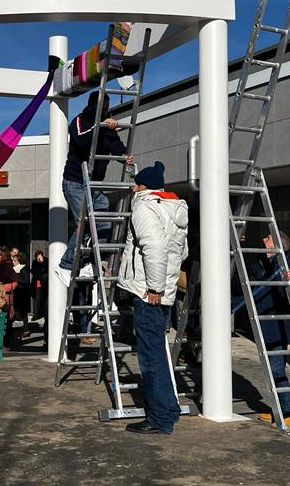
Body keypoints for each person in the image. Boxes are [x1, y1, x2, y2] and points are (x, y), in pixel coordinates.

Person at [115, 162, 188, 435]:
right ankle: (169, 408)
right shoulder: (174, 208)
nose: (133, 187)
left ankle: (159, 418)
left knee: (150, 357)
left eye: (137, 184)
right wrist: (164, 286)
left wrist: (154, 288)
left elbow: (153, 247)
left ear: (144, 187)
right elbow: (181, 251)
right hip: (162, 291)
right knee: (159, 353)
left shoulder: (144, 206)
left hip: (148, 293)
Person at [56, 91, 133, 276]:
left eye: (107, 109)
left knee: (104, 223)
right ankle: (66, 265)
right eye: (102, 108)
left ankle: (88, 262)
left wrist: (124, 156)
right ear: (92, 107)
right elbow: (82, 141)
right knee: (85, 224)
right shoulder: (79, 121)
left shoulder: (107, 125)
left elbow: (115, 145)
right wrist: (101, 126)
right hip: (75, 182)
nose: (105, 112)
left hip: (94, 184)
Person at [243, 231, 290, 428]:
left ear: (276, 245)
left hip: (277, 326)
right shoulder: (260, 262)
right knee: (271, 371)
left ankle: (287, 412)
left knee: (277, 369)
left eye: (268, 238)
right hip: (264, 324)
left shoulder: (285, 264)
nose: (263, 239)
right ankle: (277, 409)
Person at [10, 247, 31, 338]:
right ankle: (10, 330)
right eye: (13, 260)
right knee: (13, 311)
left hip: (22, 294)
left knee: (23, 313)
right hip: (14, 293)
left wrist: (16, 281)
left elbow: (26, 281)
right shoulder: (12, 269)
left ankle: (26, 329)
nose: (13, 262)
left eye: (15, 261)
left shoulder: (23, 269)